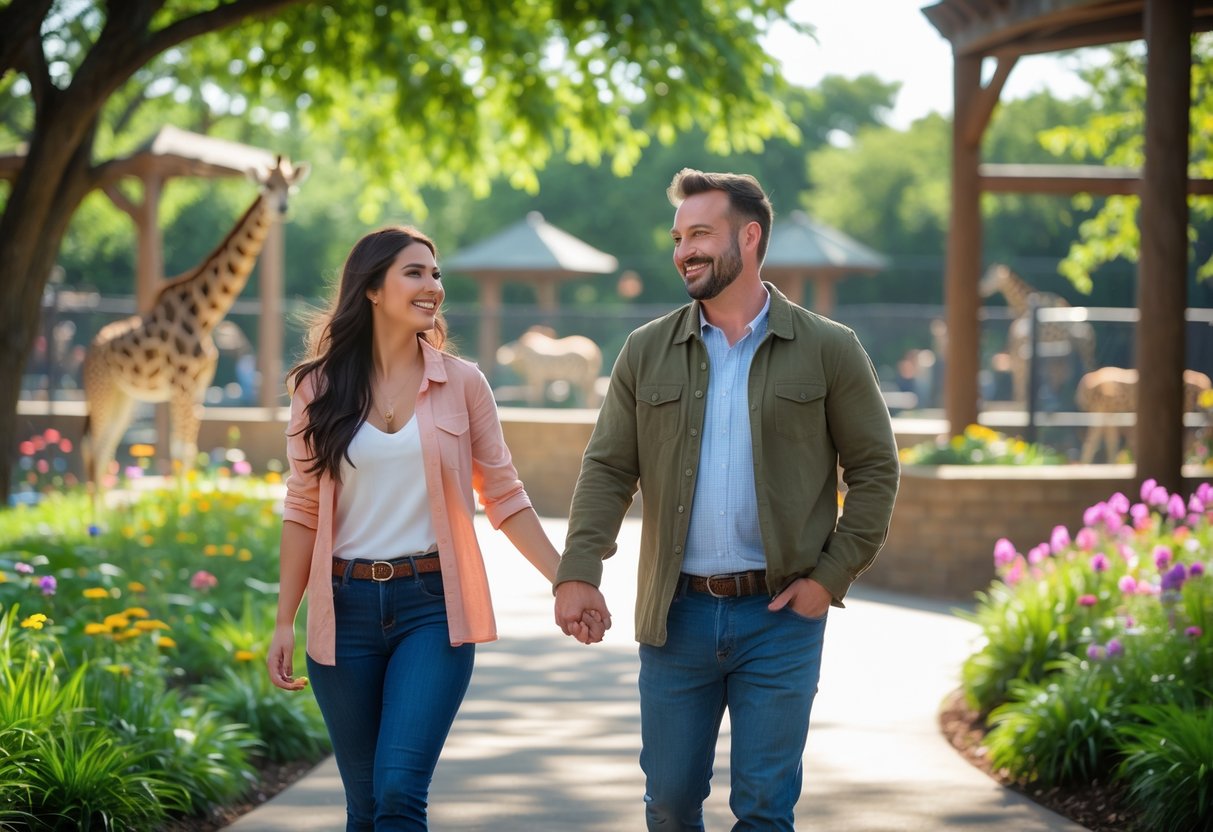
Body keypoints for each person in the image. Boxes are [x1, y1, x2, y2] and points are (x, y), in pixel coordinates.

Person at [553, 169, 900, 830]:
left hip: (779, 619)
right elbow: (606, 469)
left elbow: (875, 472)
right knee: (670, 802)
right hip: (675, 616)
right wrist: (577, 572)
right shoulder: (644, 351)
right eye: (678, 237)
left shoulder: (829, 349)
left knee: (765, 808)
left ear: (749, 236)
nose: (683, 250)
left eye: (700, 234)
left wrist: (828, 579)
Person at [267, 225, 605, 831]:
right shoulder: (315, 389)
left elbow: (504, 495)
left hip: (432, 608)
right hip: (342, 612)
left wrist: (568, 580)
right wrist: (284, 619)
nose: (434, 287)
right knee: (365, 806)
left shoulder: (463, 383)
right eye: (415, 273)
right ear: (371, 289)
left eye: (437, 274)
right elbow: (302, 508)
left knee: (399, 792)